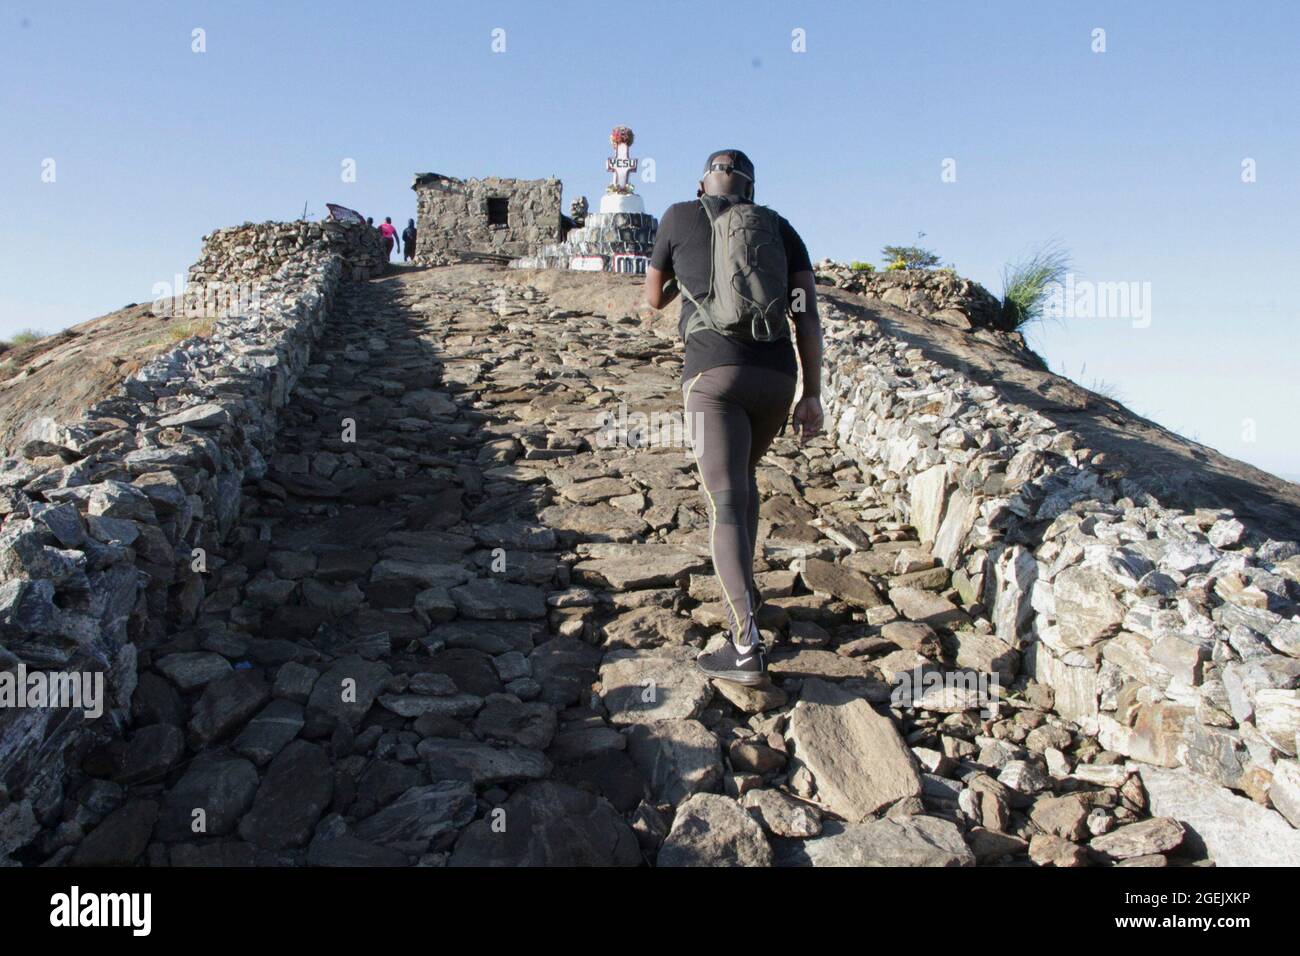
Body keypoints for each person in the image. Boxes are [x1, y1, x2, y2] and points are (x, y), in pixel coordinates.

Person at [645, 149, 824, 685]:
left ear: (704, 185)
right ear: (750, 189)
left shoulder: (678, 216)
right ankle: (745, 602)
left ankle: (745, 645)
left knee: (725, 501)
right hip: (776, 378)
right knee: (743, 486)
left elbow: (652, 298)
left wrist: (685, 275)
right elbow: (806, 317)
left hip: (712, 377)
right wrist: (811, 395)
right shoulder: (781, 230)